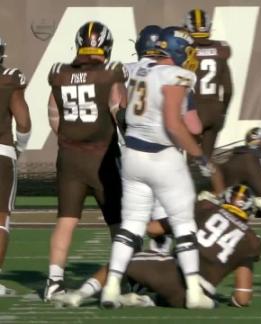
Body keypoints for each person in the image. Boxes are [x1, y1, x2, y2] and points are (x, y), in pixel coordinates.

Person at [99, 26, 214, 310]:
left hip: (133, 157)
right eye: (187, 52)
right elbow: (178, 125)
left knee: (132, 225)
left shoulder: (138, 70)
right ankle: (193, 291)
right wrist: (199, 155)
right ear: (177, 51)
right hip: (162, 156)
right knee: (184, 223)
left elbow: (115, 81)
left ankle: (112, 286)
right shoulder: (177, 75)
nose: (190, 58)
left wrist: (121, 114)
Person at [52, 184, 261, 308]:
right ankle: (144, 299)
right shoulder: (251, 241)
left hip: (172, 275)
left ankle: (79, 295)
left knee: (122, 261)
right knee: (195, 294)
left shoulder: (206, 207)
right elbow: (243, 297)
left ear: (224, 198)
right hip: (199, 296)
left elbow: (154, 230)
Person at [44, 21, 127, 301]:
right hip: (102, 157)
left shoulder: (60, 73)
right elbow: (119, 111)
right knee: (118, 222)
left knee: (66, 221)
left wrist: (71, 139)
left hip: (69, 157)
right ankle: (118, 279)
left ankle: (54, 281)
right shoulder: (110, 73)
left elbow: (54, 116)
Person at [0, 36, 31, 296]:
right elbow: (23, 122)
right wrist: (19, 147)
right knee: (0, 220)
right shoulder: (9, 79)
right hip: (1, 153)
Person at [184, 9, 233, 157]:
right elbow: (228, 89)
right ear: (209, 27)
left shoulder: (185, 50)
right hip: (214, 110)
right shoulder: (220, 49)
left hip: (194, 110)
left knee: (190, 161)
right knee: (206, 161)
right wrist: (223, 112)